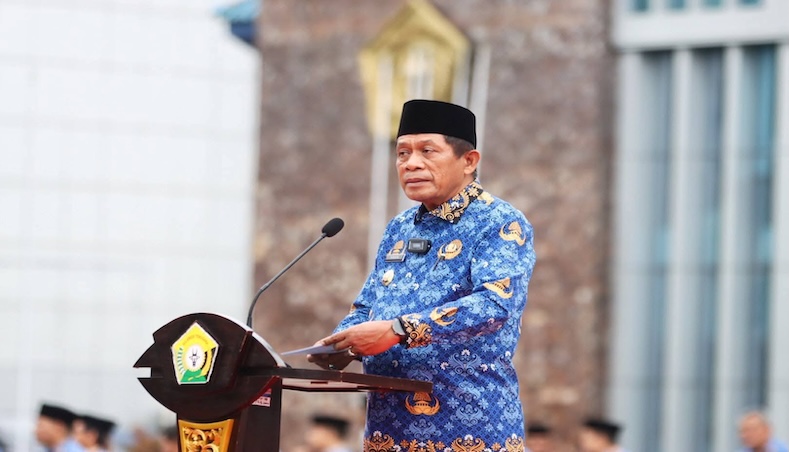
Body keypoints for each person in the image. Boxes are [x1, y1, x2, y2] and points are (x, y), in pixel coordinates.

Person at [308, 99, 536, 451]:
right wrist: (343, 342)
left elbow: (495, 305)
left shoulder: (499, 222)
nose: (411, 163)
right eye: (402, 153)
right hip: (390, 429)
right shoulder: (399, 228)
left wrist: (399, 330)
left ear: (469, 161)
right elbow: (369, 306)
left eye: (427, 151)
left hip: (469, 427)